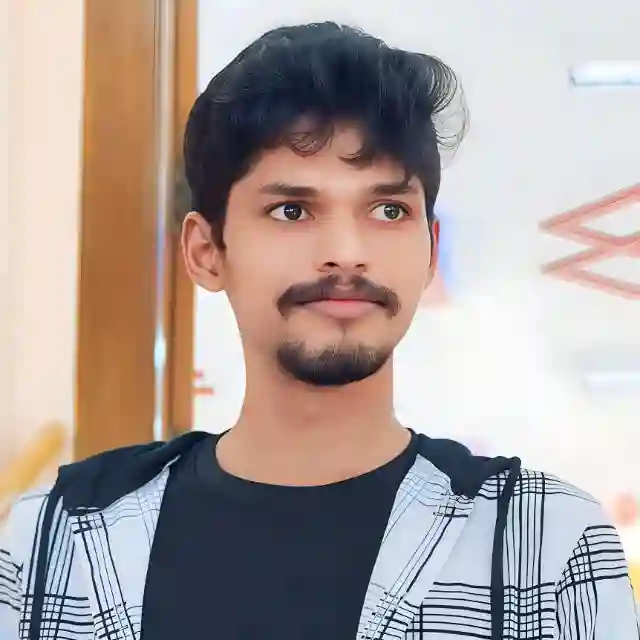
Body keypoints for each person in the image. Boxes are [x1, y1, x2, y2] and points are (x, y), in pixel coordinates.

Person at [1, 22, 637, 640]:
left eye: (388, 210)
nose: (346, 253)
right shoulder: (55, 541)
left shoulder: (545, 547)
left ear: (429, 250)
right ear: (206, 251)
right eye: (292, 210)